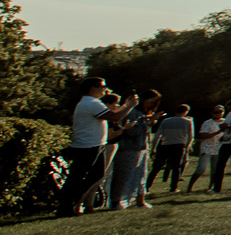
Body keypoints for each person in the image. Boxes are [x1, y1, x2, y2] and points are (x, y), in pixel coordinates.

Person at [57, 78, 133, 216]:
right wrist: (130, 106)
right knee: (78, 177)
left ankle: (70, 203)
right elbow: (113, 117)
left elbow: (112, 114)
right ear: (93, 88)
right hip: (87, 146)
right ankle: (66, 205)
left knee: (95, 175)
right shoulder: (91, 103)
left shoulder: (90, 102)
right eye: (102, 86)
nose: (105, 88)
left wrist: (126, 105)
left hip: (94, 144)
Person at [109, 90, 159, 209]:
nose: (151, 105)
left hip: (140, 148)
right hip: (128, 148)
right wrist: (148, 124)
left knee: (140, 175)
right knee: (124, 176)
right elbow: (130, 131)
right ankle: (117, 202)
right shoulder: (132, 113)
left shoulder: (142, 113)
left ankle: (140, 201)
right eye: (150, 102)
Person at [150, 104, 193, 193]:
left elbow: (158, 135)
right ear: (185, 112)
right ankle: (173, 187)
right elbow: (191, 136)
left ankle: (147, 186)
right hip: (179, 145)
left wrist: (153, 148)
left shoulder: (166, 121)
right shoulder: (188, 121)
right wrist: (187, 146)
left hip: (165, 144)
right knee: (176, 167)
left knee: (156, 167)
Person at [186, 105, 224, 193]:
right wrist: (217, 132)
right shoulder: (207, 123)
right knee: (201, 169)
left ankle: (211, 187)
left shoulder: (225, 122)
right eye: (216, 112)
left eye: (221, 112)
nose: (219, 114)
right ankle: (190, 187)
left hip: (218, 149)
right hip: (207, 148)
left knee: (215, 170)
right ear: (212, 113)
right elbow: (203, 135)